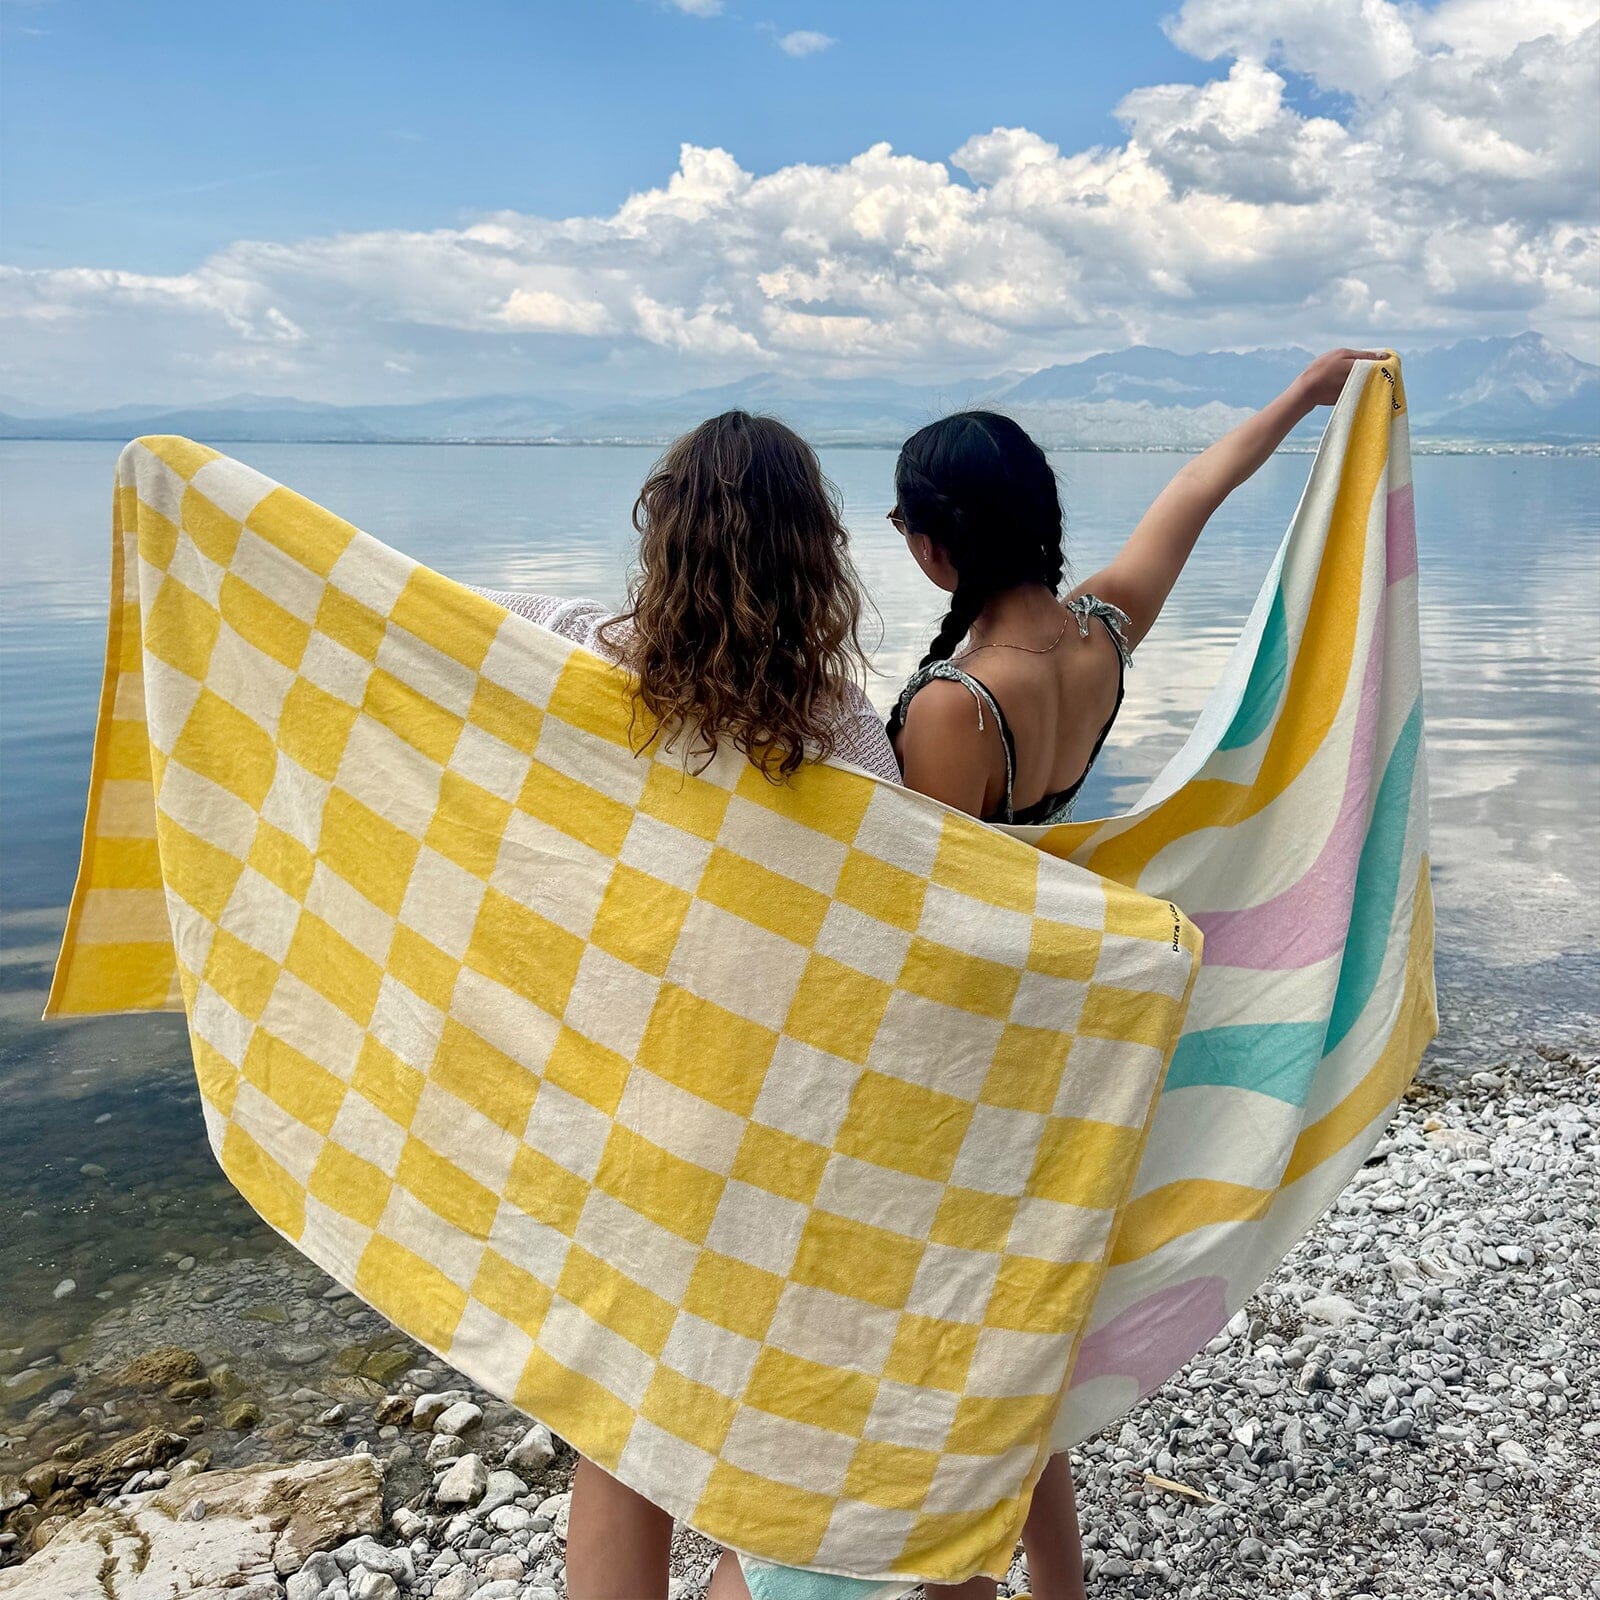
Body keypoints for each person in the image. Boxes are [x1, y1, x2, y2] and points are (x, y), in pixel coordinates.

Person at [886, 348, 1386, 1600]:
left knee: (967, 1348)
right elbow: (1196, 491)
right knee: (1024, 1341)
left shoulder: (954, 705)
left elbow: (928, 919)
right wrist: (1304, 396)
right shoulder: (1100, 635)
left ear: (936, 549)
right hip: (1067, 1029)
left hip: (977, 1048)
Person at [476, 410, 899, 1600]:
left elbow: (402, 658)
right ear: (817, 555)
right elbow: (891, 955)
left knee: (623, 1426)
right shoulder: (847, 737)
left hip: (601, 1107)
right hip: (760, 1129)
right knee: (757, 1421)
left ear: (661, 531)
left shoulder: (557, 644)